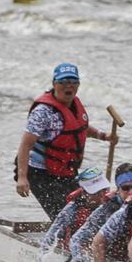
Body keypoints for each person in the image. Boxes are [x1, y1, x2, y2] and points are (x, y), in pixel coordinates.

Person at [15, 63, 117, 220]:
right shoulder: (42, 112)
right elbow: (25, 146)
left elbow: (79, 128)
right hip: (40, 173)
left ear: (78, 85)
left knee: (85, 208)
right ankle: (61, 241)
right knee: (65, 215)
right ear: (54, 84)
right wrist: (22, 177)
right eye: (63, 82)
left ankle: (81, 238)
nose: (68, 86)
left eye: (73, 82)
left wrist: (103, 135)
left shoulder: (74, 105)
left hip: (65, 171)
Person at [37, 168, 111, 262]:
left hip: (104, 252)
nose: (102, 195)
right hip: (76, 251)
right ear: (85, 193)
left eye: (104, 190)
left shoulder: (113, 203)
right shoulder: (72, 210)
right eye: (96, 192)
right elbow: (47, 242)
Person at [68, 162, 132, 262]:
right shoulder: (106, 210)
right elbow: (76, 240)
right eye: (125, 188)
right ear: (118, 189)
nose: (131, 192)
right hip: (116, 259)